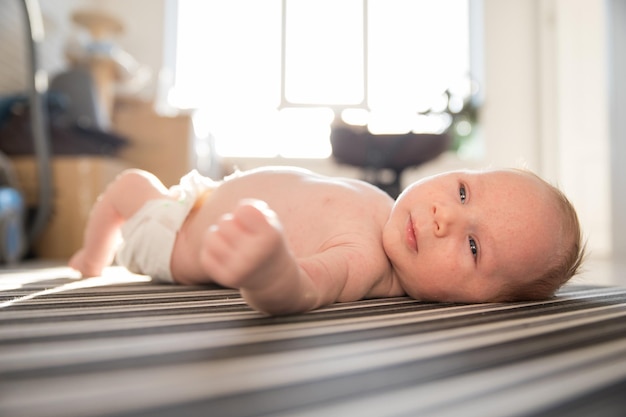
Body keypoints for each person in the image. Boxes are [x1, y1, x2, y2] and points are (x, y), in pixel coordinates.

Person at [69, 166, 585, 315]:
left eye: (473, 248)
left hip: (173, 234)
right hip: (200, 199)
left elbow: (303, 287)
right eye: (464, 191)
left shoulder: (363, 261)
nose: (443, 217)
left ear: (480, 303)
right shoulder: (387, 216)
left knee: (128, 187)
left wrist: (267, 266)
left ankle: (94, 258)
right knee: (135, 185)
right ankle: (92, 255)